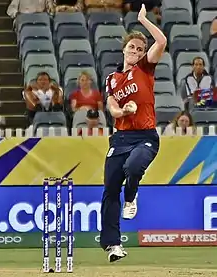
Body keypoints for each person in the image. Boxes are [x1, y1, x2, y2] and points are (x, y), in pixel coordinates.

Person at [100, 4, 167, 262]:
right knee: (109, 190)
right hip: (120, 138)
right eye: (133, 47)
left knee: (135, 166)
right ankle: (113, 245)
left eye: (140, 49)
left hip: (145, 136)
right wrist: (123, 111)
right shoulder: (112, 79)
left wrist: (143, 20)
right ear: (124, 50)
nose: (136, 52)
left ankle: (131, 197)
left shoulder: (146, 69)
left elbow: (161, 40)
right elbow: (111, 107)